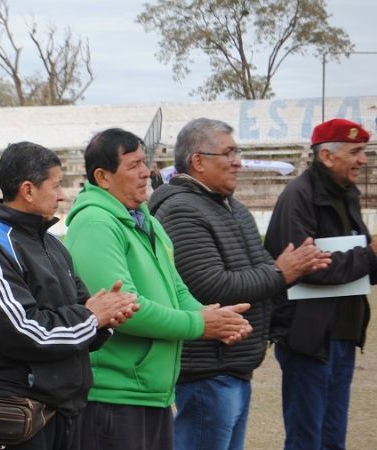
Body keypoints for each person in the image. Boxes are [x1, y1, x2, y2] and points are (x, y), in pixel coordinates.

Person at [64, 127, 253, 450]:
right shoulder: (96, 223)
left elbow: (175, 287)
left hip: (150, 394)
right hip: (114, 395)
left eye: (145, 163)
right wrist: (200, 325)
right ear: (103, 177)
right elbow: (125, 308)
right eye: (133, 165)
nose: (145, 173)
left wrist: (213, 316)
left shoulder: (143, 218)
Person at [148, 118, 330, 450]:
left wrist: (285, 269)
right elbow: (210, 285)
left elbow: (261, 269)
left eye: (238, 151)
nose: (238, 161)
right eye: (229, 152)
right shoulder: (181, 210)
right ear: (198, 161)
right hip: (208, 372)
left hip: (233, 367)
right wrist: (281, 273)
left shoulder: (233, 209)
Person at [0, 141, 139, 450]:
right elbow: (24, 331)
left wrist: (105, 321)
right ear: (27, 190)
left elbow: (80, 314)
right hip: (15, 415)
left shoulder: (53, 245)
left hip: (62, 409)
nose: (63, 195)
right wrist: (92, 317)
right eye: (57, 185)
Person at [264, 118, 375, 450]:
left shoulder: (347, 194)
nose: (363, 160)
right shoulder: (298, 196)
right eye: (355, 152)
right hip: (308, 339)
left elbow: (359, 264)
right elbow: (309, 267)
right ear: (327, 156)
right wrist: (370, 255)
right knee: (305, 440)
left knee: (332, 439)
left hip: (341, 335)